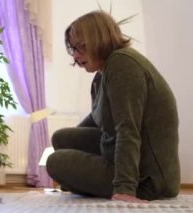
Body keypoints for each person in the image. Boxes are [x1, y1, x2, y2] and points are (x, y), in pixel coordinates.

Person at [46, 10, 180, 203]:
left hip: (148, 180)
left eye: (80, 47)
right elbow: (95, 119)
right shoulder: (103, 74)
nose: (75, 56)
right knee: (61, 138)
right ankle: (93, 183)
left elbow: (128, 130)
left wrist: (125, 188)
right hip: (120, 155)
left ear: (98, 39)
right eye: (73, 49)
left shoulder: (122, 63)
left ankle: (119, 185)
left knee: (55, 162)